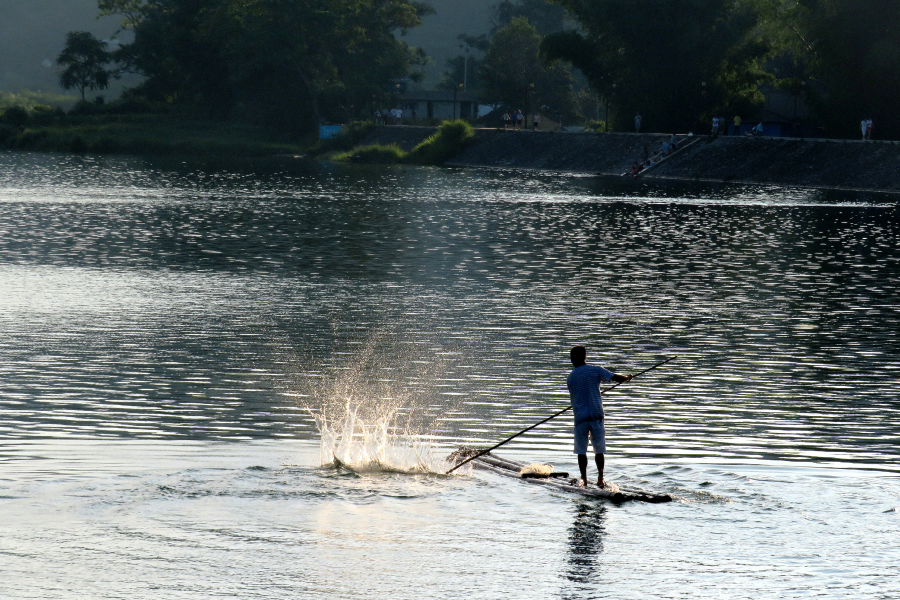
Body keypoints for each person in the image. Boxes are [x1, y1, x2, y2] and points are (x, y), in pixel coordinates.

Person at [567, 346, 633, 488]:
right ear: (585, 357)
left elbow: (576, 397)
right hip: (596, 415)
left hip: (580, 417)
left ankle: (584, 479)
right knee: (599, 449)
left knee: (581, 451)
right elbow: (615, 377)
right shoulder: (596, 370)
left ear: (573, 359)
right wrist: (627, 378)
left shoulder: (571, 377)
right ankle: (600, 478)